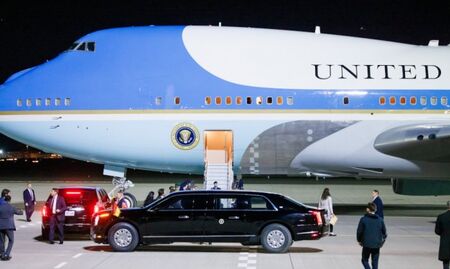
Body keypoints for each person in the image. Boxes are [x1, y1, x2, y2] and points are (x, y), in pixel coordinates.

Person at [357, 202, 387, 269]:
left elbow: (359, 231)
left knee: (364, 260)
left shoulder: (363, 219)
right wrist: (382, 241)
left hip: (366, 244)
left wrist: (359, 240)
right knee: (375, 262)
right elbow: (384, 232)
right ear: (375, 209)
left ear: (367, 209)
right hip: (376, 244)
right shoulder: (380, 220)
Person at [0, 189, 23, 261]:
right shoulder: (11, 206)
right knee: (11, 240)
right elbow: (20, 212)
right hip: (9, 226)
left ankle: (2, 254)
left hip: (0, 225)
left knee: (1, 241)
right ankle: (7, 254)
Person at [435, 201, 450, 269]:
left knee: (446, 263)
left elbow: (437, 231)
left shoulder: (441, 217)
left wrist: (444, 234)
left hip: (445, 243)